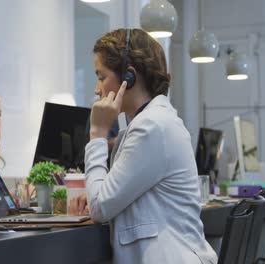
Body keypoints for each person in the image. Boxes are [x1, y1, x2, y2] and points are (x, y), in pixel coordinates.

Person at [69, 28, 217, 263]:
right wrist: (103, 191)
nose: (97, 90)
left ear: (129, 77)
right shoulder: (147, 124)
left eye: (101, 76)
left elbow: (100, 208)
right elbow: (114, 198)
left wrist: (97, 134)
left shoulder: (152, 126)